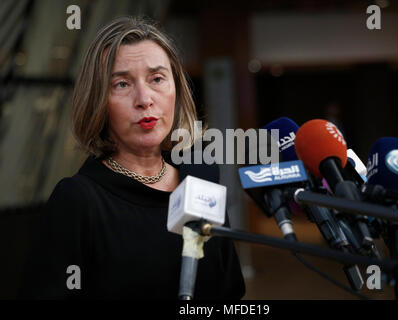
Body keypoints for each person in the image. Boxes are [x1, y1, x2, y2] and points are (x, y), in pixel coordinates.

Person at [19, 16, 245, 299]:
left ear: (177, 89)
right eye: (122, 84)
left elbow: (230, 291)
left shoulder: (201, 179)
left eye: (157, 79)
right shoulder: (78, 200)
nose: (144, 98)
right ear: (98, 101)